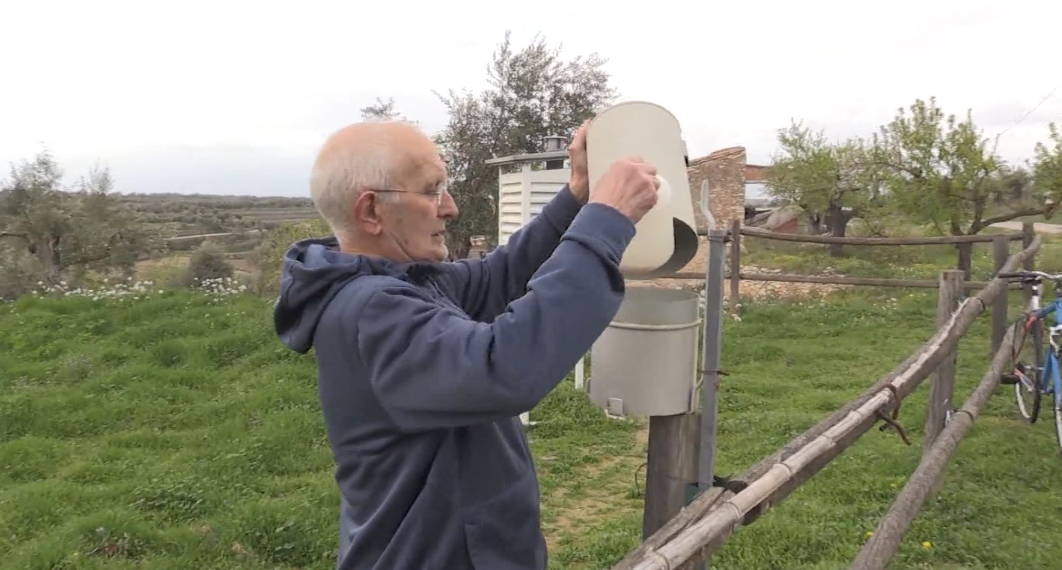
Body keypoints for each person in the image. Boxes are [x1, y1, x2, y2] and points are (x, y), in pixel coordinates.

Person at [273, 119, 661, 570]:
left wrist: (577, 196)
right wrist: (605, 223)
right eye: (432, 189)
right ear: (371, 212)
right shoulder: (372, 310)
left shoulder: (404, 282)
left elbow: (501, 276)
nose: (450, 207)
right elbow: (505, 368)